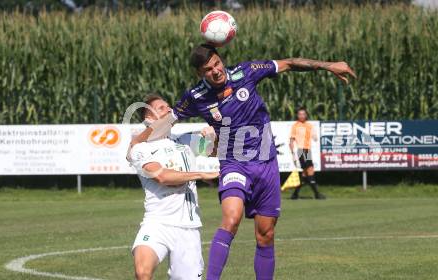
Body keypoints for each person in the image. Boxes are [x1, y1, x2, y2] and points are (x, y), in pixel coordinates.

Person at [131, 44, 356, 280]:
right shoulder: (196, 97)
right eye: (208, 69)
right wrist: (137, 143)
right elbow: (167, 122)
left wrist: (329, 66)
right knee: (231, 218)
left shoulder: (246, 71)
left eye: (217, 63)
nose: (216, 70)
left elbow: (288, 63)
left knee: (265, 234)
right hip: (233, 162)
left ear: (221, 60)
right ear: (200, 74)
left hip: (266, 162)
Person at [129, 94, 219, 280]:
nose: (170, 110)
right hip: (157, 223)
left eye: (169, 106)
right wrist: (200, 175)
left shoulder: (184, 141)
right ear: (149, 118)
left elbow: (217, 151)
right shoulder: (139, 148)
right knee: (142, 272)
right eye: (162, 108)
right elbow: (161, 176)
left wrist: (213, 136)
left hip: (188, 227)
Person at [289, 107, 325, 200]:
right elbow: (291, 141)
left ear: (306, 115)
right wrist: (293, 154)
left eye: (303, 114)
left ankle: (295, 194)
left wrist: (315, 136)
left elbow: (314, 137)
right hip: (301, 150)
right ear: (297, 115)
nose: (301, 116)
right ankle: (317, 194)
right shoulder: (295, 126)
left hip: (307, 151)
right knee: (310, 170)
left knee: (305, 174)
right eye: (299, 114)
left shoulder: (309, 125)